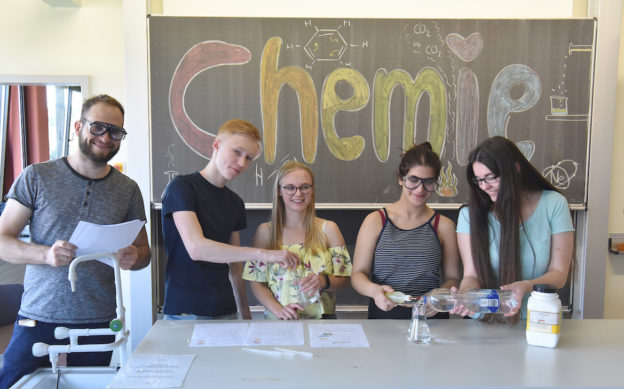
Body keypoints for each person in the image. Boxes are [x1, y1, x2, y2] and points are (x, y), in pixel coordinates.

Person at [0, 94, 151, 389]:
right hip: (39, 315)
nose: (106, 137)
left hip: (100, 319)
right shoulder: (37, 176)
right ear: (78, 126)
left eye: (115, 131)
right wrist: (46, 254)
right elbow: (0, 244)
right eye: (98, 127)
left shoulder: (127, 190)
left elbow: (144, 254)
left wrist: (134, 256)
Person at [161, 119, 299, 321]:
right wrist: (265, 254)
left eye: (249, 158)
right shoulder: (182, 187)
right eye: (237, 152)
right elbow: (197, 249)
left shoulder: (235, 203)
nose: (242, 163)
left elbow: (235, 267)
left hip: (226, 312)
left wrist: (245, 313)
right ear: (216, 145)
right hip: (185, 313)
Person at [454, 136, 574, 320]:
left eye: (491, 177)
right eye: (478, 180)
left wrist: (527, 285)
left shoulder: (554, 205)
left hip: (538, 319)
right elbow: (471, 275)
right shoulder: (469, 215)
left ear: (515, 169)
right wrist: (465, 296)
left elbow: (559, 274)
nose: (484, 186)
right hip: (485, 321)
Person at [351, 142, 460, 319]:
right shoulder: (376, 221)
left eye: (429, 182)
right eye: (413, 180)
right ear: (401, 178)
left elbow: (453, 277)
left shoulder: (444, 225)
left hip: (430, 317)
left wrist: (439, 295)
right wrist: (375, 291)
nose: (420, 189)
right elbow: (357, 274)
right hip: (384, 316)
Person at [242, 161, 352, 320]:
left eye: (305, 187)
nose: (298, 194)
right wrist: (278, 310)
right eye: (290, 187)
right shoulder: (266, 232)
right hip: (280, 322)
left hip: (323, 324)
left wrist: (324, 281)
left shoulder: (329, 230)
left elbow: (345, 282)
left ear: (312, 189)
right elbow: (257, 282)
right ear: (280, 191)